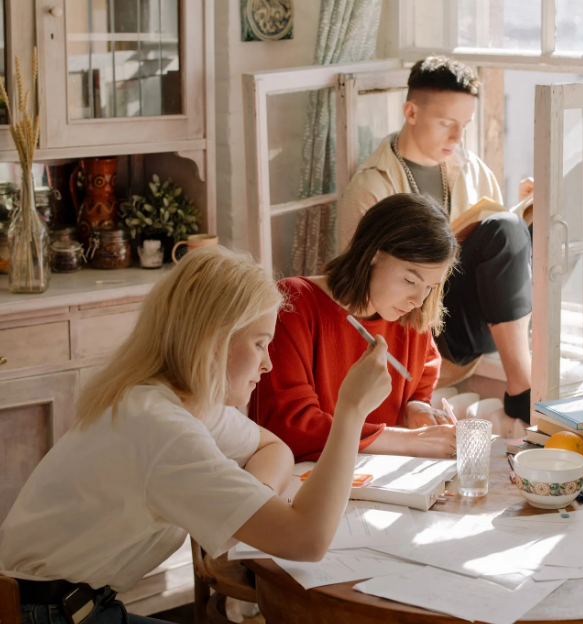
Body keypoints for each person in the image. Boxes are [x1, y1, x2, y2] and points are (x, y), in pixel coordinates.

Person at [0, 247, 394, 624]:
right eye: (260, 344)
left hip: (70, 604)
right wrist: (351, 412)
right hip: (43, 614)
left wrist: (249, 506)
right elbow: (307, 541)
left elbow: (273, 448)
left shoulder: (172, 400)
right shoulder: (162, 430)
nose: (268, 364)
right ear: (214, 339)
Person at [337, 55, 534, 424]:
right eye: (446, 123)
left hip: (481, 322)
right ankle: (523, 389)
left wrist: (525, 212)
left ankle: (528, 366)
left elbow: (497, 256)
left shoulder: (472, 168)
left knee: (540, 212)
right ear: (410, 112)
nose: (457, 137)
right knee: (505, 230)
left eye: (465, 124)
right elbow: (360, 292)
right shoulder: (371, 187)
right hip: (425, 329)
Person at [251, 193, 459, 460]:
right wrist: (408, 441)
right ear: (374, 254)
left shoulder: (407, 314)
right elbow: (291, 426)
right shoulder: (295, 304)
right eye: (410, 280)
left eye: (429, 287)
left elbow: (422, 378)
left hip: (383, 479)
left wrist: (416, 407)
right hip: (308, 480)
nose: (418, 300)